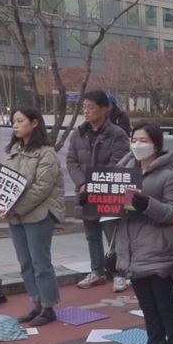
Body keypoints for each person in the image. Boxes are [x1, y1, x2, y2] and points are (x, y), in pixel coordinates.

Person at [115, 123, 173, 344]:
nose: (137, 145)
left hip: (158, 248)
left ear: (156, 144)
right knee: (147, 307)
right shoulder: (123, 171)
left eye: (143, 140)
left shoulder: (168, 175)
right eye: (134, 139)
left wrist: (147, 204)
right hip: (132, 248)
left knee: (165, 306)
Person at [0, 108, 64, 328]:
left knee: (40, 262)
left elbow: (41, 189)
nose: (15, 125)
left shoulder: (47, 153)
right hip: (16, 215)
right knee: (25, 262)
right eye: (13, 122)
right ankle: (36, 303)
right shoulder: (14, 150)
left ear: (34, 123)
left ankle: (48, 306)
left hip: (39, 214)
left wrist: (14, 209)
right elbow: (4, 182)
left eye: (20, 121)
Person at [66, 89, 131, 292]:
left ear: (105, 109)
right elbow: (71, 161)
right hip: (86, 192)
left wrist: (94, 183)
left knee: (114, 235)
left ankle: (121, 272)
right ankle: (97, 271)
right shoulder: (78, 133)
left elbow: (118, 162)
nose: (86, 111)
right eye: (84, 107)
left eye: (91, 107)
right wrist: (82, 183)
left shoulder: (117, 134)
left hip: (108, 193)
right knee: (91, 235)